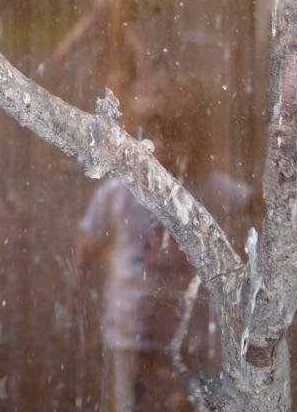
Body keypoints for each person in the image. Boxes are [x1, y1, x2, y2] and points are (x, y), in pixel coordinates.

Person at [69, 79, 253, 411]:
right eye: (153, 136)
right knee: (129, 401)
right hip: (129, 325)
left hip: (186, 332)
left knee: (186, 400)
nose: (163, 147)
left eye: (175, 135)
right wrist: (84, 280)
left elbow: (253, 203)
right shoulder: (122, 187)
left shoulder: (205, 187)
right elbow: (86, 237)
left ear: (194, 141)